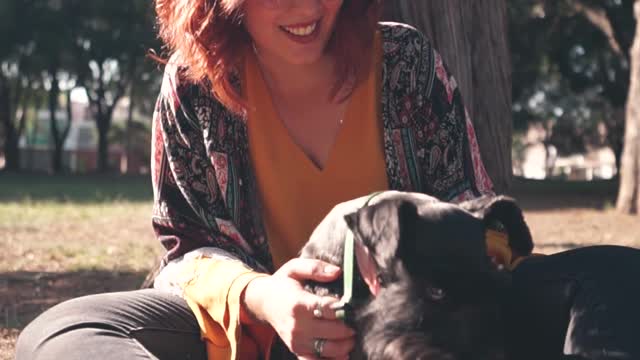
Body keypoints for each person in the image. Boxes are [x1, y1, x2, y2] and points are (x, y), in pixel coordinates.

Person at [15, 0, 494, 359]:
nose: (306, 7)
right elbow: (185, 250)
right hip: (253, 330)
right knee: (60, 332)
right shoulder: (193, 87)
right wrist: (265, 297)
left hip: (410, 330)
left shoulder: (405, 61)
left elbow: (471, 209)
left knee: (567, 278)